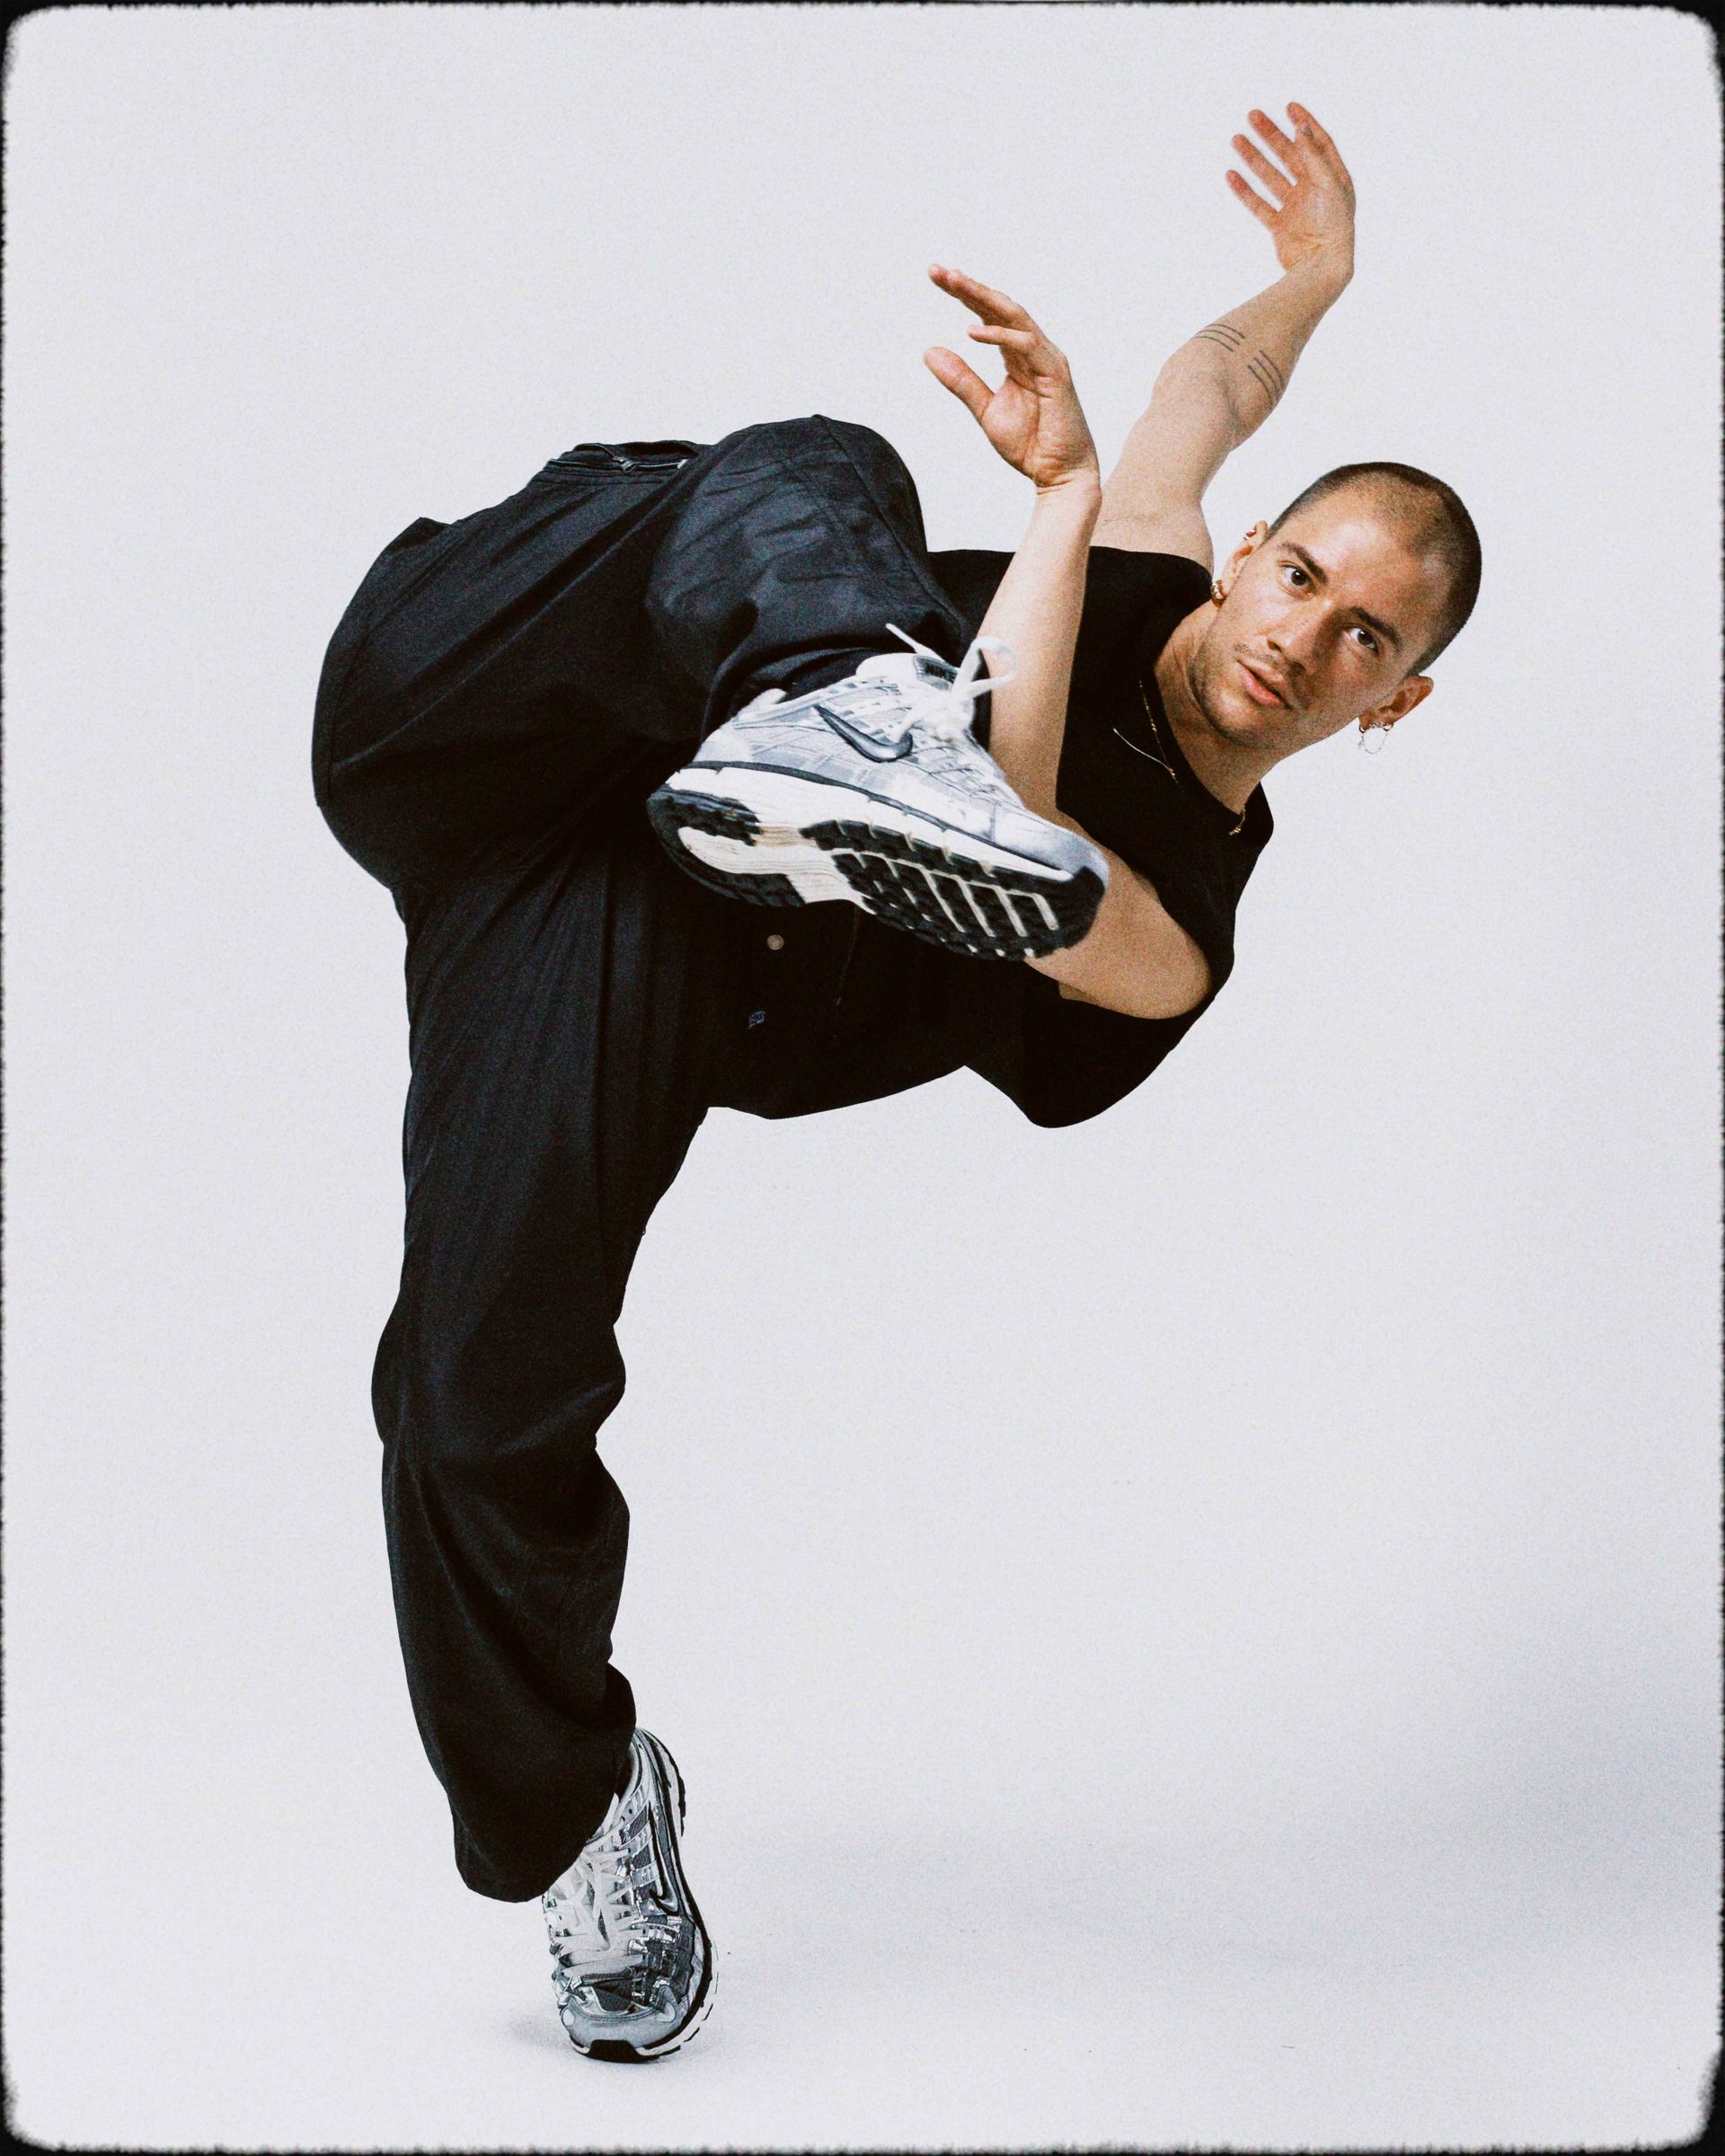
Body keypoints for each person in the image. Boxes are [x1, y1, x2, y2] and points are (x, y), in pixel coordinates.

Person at [311, 103, 1480, 2062]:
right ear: (1252, 557)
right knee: (815, 467)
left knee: (470, 1394)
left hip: (619, 923)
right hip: (501, 690)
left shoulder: (1174, 937)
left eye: (1367, 638)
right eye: (1298, 576)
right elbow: (1213, 382)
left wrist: (1055, 504)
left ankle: (576, 1806)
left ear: (1396, 701)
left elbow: (1011, 835)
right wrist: (1318, 276)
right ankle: (829, 687)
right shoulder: (1164, 555)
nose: (1304, 635)